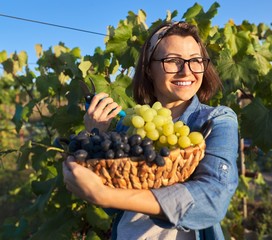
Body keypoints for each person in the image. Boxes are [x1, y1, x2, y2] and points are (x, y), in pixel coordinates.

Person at [63, 21, 239, 240]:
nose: (187, 71)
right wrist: (95, 135)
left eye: (196, 60)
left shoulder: (217, 120)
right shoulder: (127, 125)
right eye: (173, 61)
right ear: (148, 68)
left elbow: (213, 199)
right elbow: (112, 209)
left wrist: (105, 195)